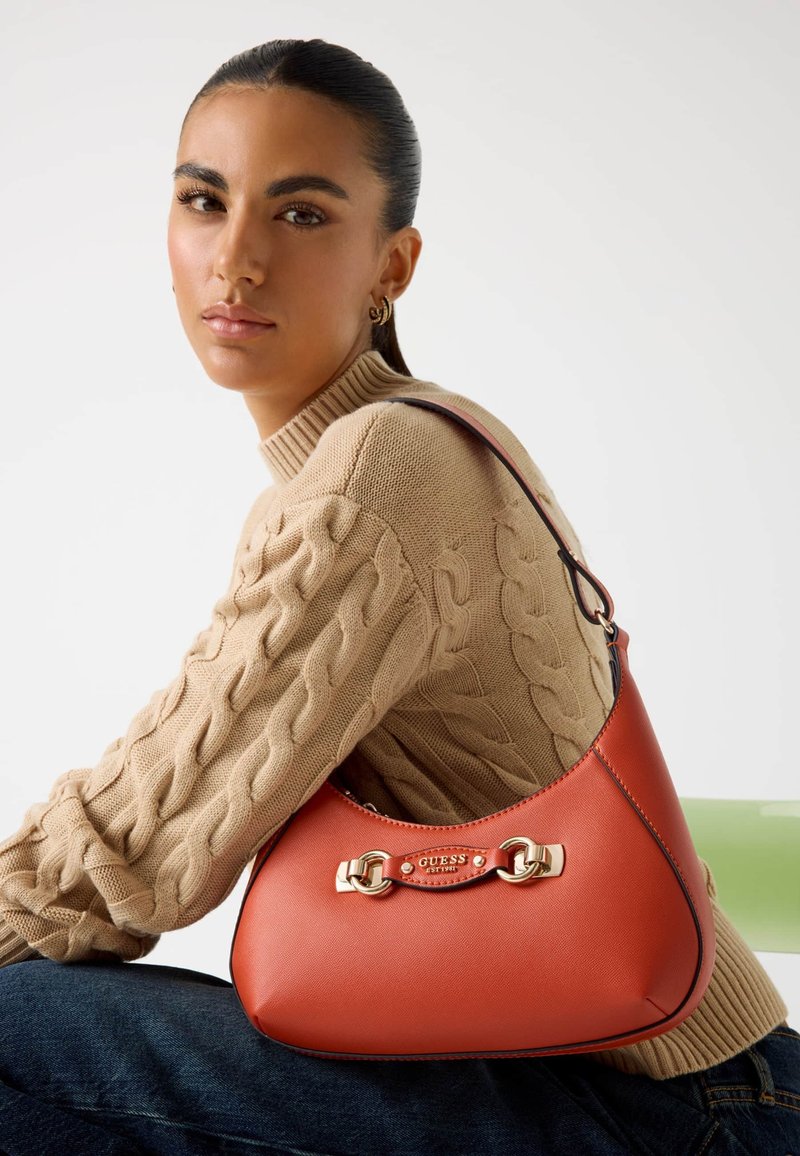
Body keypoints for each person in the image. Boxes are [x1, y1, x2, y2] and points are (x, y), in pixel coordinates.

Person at [0, 36, 797, 1156]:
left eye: (301, 214)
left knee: (14, 1024)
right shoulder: (413, 442)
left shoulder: (381, 472)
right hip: (655, 1076)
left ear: (394, 265)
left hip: (671, 1107)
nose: (236, 258)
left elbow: (140, 850)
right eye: (204, 201)